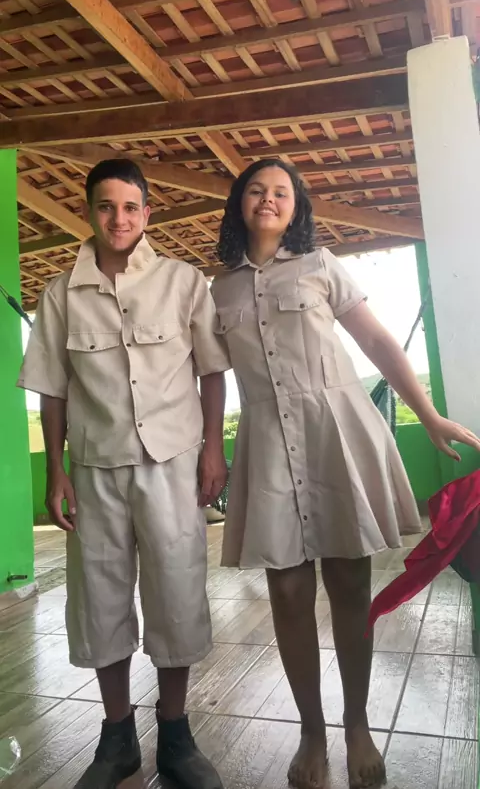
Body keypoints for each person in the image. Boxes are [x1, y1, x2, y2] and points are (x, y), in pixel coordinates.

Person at [210, 158, 480, 789]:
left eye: (281, 192)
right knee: (286, 594)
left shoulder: (322, 265)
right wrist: (206, 450)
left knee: (350, 586)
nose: (269, 199)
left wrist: (429, 415)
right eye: (257, 190)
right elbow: (208, 376)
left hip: (338, 436)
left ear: (296, 207)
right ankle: (312, 731)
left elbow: (379, 342)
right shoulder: (216, 291)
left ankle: (357, 724)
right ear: (239, 203)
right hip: (267, 443)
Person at [18, 159, 230, 789]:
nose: (119, 218)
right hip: (93, 469)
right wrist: (56, 472)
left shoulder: (182, 282)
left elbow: (212, 371)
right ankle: (116, 741)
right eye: (106, 206)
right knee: (99, 599)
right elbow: (52, 390)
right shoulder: (60, 294)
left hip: (173, 464)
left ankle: (176, 736)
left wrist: (213, 451)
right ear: (89, 211)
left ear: (147, 213)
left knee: (177, 593)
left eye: (131, 206)